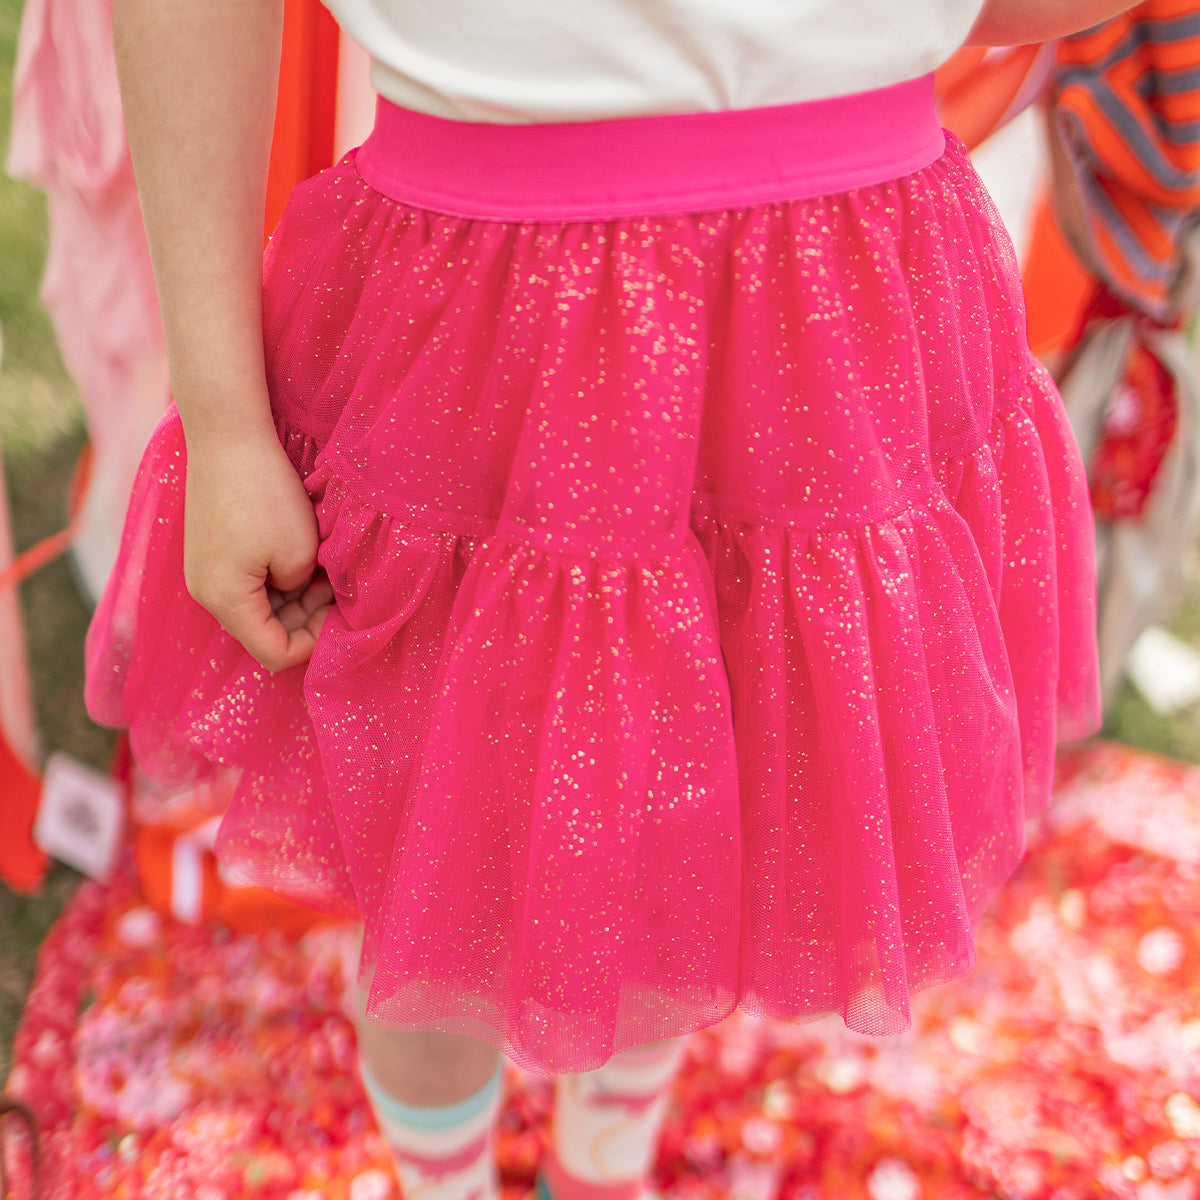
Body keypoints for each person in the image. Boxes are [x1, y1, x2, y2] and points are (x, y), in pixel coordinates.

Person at [85, 2, 1123, 1197]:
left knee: (709, 810)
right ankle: (450, 1183)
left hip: (846, 286)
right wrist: (221, 416)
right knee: (443, 846)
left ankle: (606, 1174)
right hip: (498, 298)